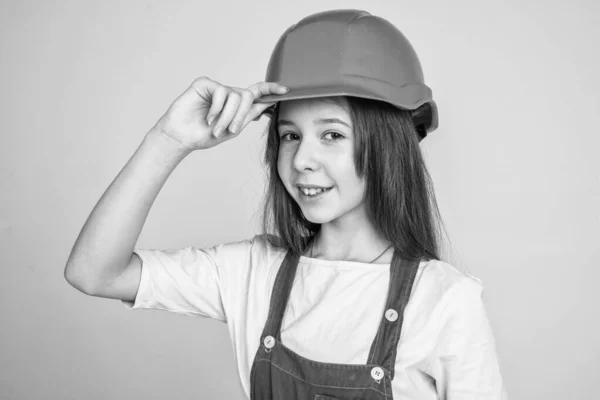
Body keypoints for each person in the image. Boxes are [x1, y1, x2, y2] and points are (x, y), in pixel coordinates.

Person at [64, 9, 507, 400]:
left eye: (332, 134)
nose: (301, 160)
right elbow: (93, 272)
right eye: (289, 135)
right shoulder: (254, 273)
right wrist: (169, 140)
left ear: (388, 145)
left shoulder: (446, 301)